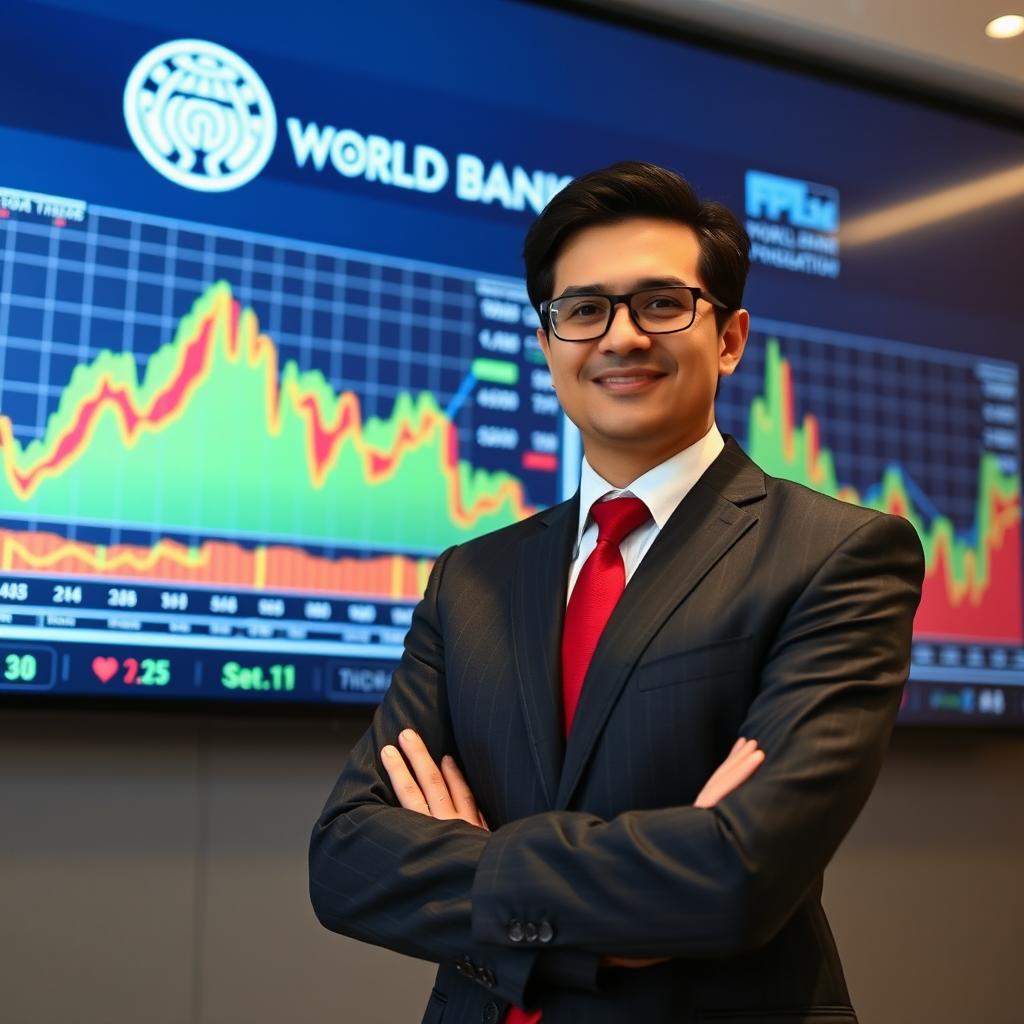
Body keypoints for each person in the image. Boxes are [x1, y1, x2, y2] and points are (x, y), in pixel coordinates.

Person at [309, 161, 925, 1024]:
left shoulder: (839, 557)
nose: (621, 337)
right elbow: (344, 859)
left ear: (731, 338)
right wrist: (642, 896)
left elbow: (737, 880)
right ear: (548, 343)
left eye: (663, 304)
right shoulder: (471, 577)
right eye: (584, 310)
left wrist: (478, 868)